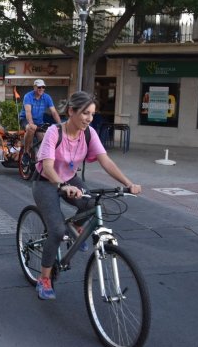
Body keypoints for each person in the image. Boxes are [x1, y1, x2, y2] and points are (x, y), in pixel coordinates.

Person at [32, 91, 141, 300]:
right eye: (85, 113)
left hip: (70, 178)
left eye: (92, 114)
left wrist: (128, 184)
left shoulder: (89, 133)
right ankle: (44, 278)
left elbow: (105, 160)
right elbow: (47, 165)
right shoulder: (54, 132)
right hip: (46, 181)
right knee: (56, 230)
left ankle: (77, 228)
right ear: (71, 111)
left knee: (92, 203)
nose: (89, 118)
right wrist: (62, 186)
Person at [19, 79, 62, 165]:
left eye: (43, 87)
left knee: (46, 139)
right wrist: (31, 124)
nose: (41, 89)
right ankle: (26, 153)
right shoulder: (28, 96)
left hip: (39, 122)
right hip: (25, 119)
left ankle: (47, 160)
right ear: (34, 87)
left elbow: (53, 112)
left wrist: (61, 125)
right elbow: (28, 112)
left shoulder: (47, 97)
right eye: (39, 87)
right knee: (30, 128)